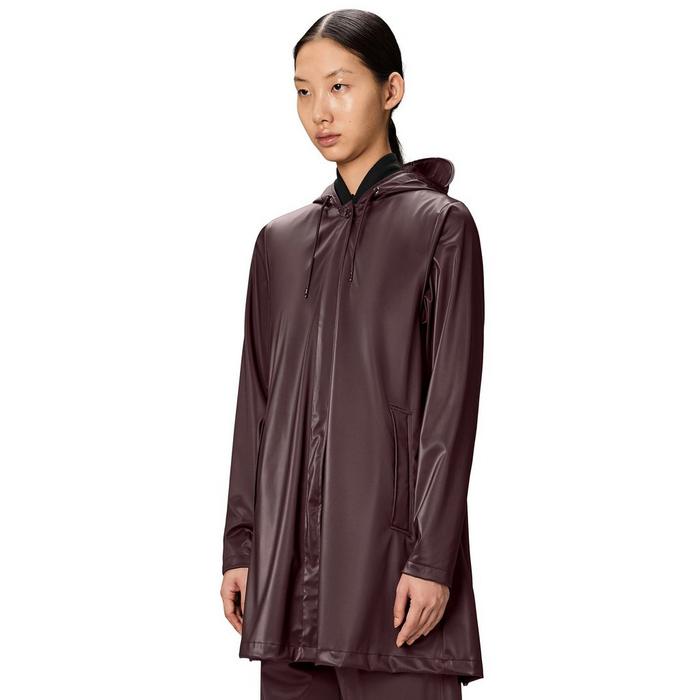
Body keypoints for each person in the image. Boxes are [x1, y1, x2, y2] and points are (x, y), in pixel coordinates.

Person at [220, 9, 486, 699]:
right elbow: (256, 405)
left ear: (391, 90)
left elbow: (449, 409)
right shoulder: (279, 243)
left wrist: (432, 561)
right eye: (303, 91)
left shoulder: (440, 227)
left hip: (393, 580)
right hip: (284, 582)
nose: (320, 112)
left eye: (339, 86)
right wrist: (243, 546)